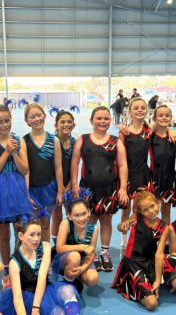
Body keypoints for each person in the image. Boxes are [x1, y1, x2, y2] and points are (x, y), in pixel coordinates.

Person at [70, 106, 128, 272]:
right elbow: (74, 163)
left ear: (111, 121)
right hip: (87, 189)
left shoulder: (116, 141)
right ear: (91, 121)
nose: (102, 121)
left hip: (109, 188)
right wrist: (75, 184)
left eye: (106, 119)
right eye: (99, 118)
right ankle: (90, 252)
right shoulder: (83, 139)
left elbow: (123, 165)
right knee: (89, 220)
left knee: (106, 220)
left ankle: (105, 252)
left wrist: (123, 187)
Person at [0, 105, 34, 288]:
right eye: (0, 121)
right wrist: (6, 152)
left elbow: (25, 169)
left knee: (21, 231)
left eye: (7, 120)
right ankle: (6, 268)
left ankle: (18, 265)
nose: (4, 125)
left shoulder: (19, 140)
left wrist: (14, 152)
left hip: (17, 189)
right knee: (3, 232)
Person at [0, 218, 81, 315]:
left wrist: (36, 308)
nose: (36, 239)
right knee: (59, 312)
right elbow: (17, 298)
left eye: (39, 234)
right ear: (21, 236)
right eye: (32, 234)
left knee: (68, 290)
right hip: (27, 296)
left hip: (45, 289)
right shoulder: (14, 262)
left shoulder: (45, 247)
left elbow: (42, 278)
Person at [111, 191, 174, 311]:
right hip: (133, 263)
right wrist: (122, 226)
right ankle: (135, 286)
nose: (151, 211)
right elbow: (121, 226)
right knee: (152, 304)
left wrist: (157, 280)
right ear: (140, 212)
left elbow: (159, 254)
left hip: (150, 262)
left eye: (152, 206)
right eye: (145, 210)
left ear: (158, 203)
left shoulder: (164, 227)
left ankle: (153, 282)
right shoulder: (135, 218)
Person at [23, 104, 65, 241]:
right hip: (32, 190)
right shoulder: (24, 141)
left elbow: (58, 167)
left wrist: (60, 191)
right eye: (32, 117)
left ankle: (45, 254)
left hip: (49, 188)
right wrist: (26, 193)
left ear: (45, 116)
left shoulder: (54, 140)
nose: (37, 119)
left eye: (39, 115)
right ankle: (32, 255)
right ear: (27, 121)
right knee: (32, 225)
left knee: (45, 224)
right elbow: (25, 170)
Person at [118, 97, 152, 257]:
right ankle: (124, 242)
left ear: (147, 110)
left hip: (143, 174)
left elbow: (166, 131)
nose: (139, 110)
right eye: (136, 108)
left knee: (140, 209)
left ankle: (138, 239)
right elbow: (119, 158)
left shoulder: (149, 131)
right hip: (127, 174)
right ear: (129, 111)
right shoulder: (124, 133)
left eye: (142, 107)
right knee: (125, 210)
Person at [52, 199, 99, 290]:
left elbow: (91, 253)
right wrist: (82, 247)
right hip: (63, 258)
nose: (81, 218)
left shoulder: (94, 229)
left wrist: (83, 268)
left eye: (84, 213)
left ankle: (75, 275)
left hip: (83, 260)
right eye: (76, 215)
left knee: (93, 279)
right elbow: (59, 248)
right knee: (75, 256)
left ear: (89, 212)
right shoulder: (65, 223)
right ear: (69, 216)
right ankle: (67, 284)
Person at [51, 111, 77, 244]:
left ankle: (70, 240)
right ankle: (56, 245)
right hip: (54, 184)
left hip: (69, 184)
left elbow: (75, 165)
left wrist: (70, 185)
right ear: (56, 125)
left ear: (74, 124)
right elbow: (55, 167)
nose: (66, 124)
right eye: (62, 122)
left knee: (72, 213)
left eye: (69, 122)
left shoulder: (74, 141)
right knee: (57, 216)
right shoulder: (52, 141)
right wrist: (60, 188)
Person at [150, 105, 176, 224]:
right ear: (154, 118)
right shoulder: (150, 135)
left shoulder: (174, 136)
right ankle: (151, 236)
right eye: (160, 115)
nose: (164, 118)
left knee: (166, 211)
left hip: (169, 178)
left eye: (167, 115)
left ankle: (164, 239)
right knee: (151, 211)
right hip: (153, 177)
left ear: (171, 118)